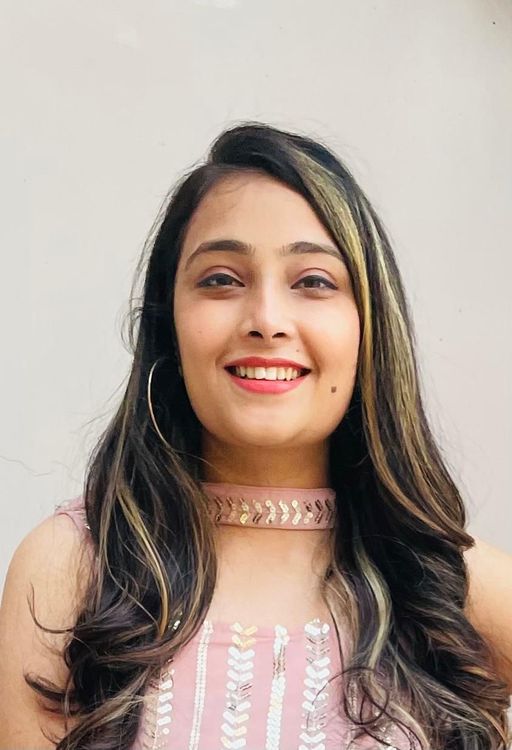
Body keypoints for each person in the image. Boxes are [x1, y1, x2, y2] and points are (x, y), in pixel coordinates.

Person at [0, 122, 510, 750]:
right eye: (221, 278)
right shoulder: (74, 569)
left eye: (313, 281)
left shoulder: (449, 591)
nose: (267, 320)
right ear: (168, 324)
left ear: (370, 327)